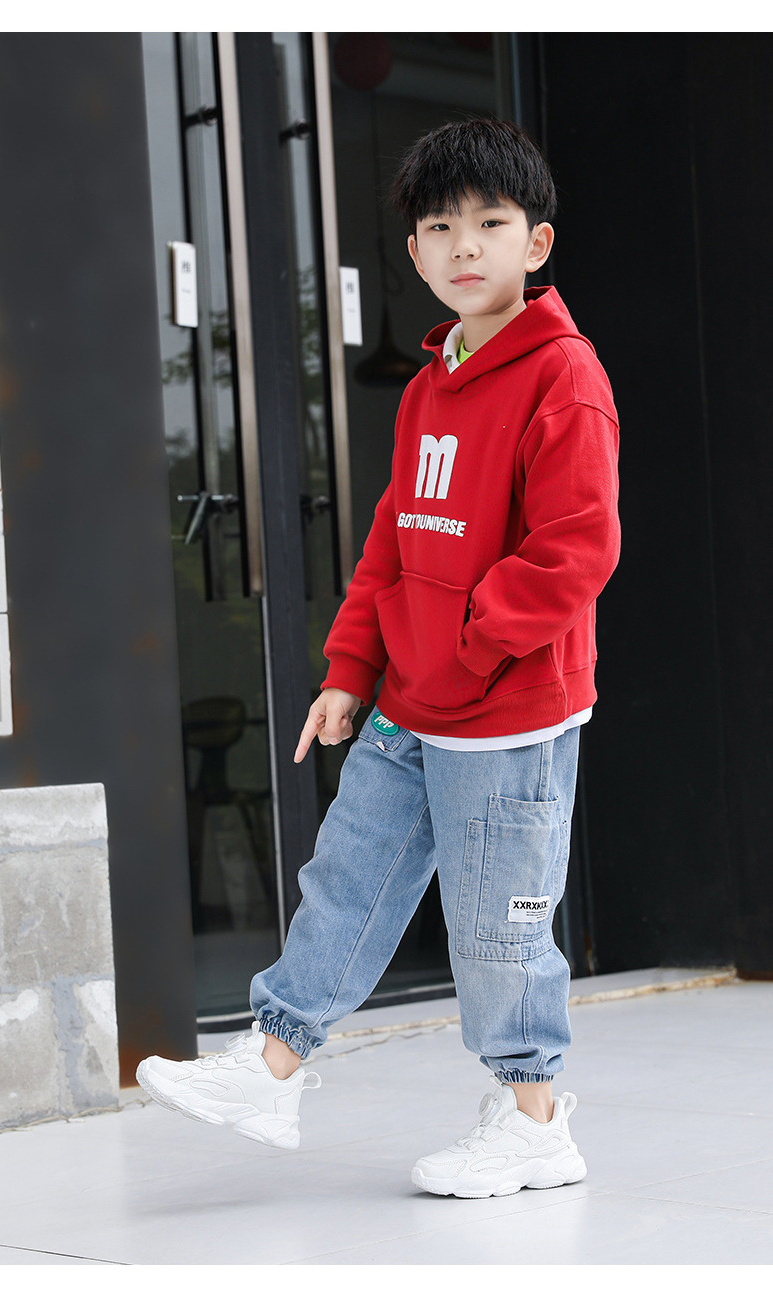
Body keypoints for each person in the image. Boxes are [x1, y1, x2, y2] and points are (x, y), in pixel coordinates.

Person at [137, 117, 621, 1199]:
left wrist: (464, 647)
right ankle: (271, 1068)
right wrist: (351, 670)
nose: (465, 245)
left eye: (489, 223)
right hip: (411, 701)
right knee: (347, 882)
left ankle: (534, 1119)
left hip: (507, 713)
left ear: (536, 243)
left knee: (499, 929)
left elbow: (576, 551)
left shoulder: (563, 378)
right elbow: (393, 541)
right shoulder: (427, 385)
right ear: (413, 252)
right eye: (440, 227)